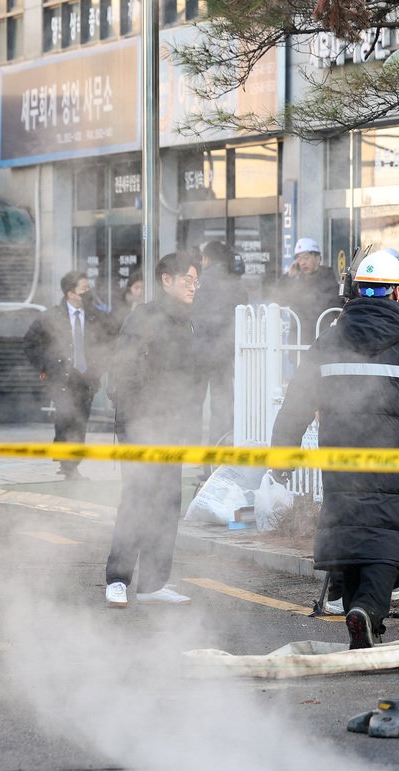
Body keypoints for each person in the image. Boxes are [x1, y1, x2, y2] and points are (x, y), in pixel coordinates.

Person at [270, 250, 399, 648]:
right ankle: (367, 610)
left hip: (339, 454)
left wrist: (282, 454)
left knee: (347, 531)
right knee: (385, 537)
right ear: (397, 294)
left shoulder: (329, 339)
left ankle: (357, 614)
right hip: (392, 460)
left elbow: (296, 400)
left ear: (354, 292)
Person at [103, 252, 207, 607]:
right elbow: (121, 372)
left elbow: (193, 380)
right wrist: (135, 422)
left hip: (171, 429)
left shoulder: (189, 323)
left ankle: (153, 584)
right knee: (136, 501)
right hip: (140, 427)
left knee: (167, 504)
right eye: (187, 280)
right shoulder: (144, 318)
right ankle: (117, 579)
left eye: (196, 281)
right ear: (166, 280)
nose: (193, 287)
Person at [22, 271, 112, 479]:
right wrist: (45, 366)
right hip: (61, 377)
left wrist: (100, 365)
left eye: (89, 289)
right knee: (65, 417)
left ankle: (71, 462)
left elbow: (110, 339)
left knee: (81, 419)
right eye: (84, 290)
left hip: (86, 378)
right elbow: (30, 342)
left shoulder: (95, 316)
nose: (88, 294)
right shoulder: (51, 316)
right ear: (70, 293)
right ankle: (67, 463)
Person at [195, 241, 249, 445]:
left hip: (198, 352)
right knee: (222, 404)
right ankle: (217, 448)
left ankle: (192, 452)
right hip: (225, 354)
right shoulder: (236, 283)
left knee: (193, 404)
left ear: (207, 259)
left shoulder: (200, 282)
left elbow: (191, 315)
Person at [278, 237, 341, 331]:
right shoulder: (296, 283)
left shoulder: (329, 281)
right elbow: (278, 299)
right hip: (297, 340)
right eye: (299, 259)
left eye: (306, 258)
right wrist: (289, 277)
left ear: (318, 259)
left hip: (321, 339)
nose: (302, 262)